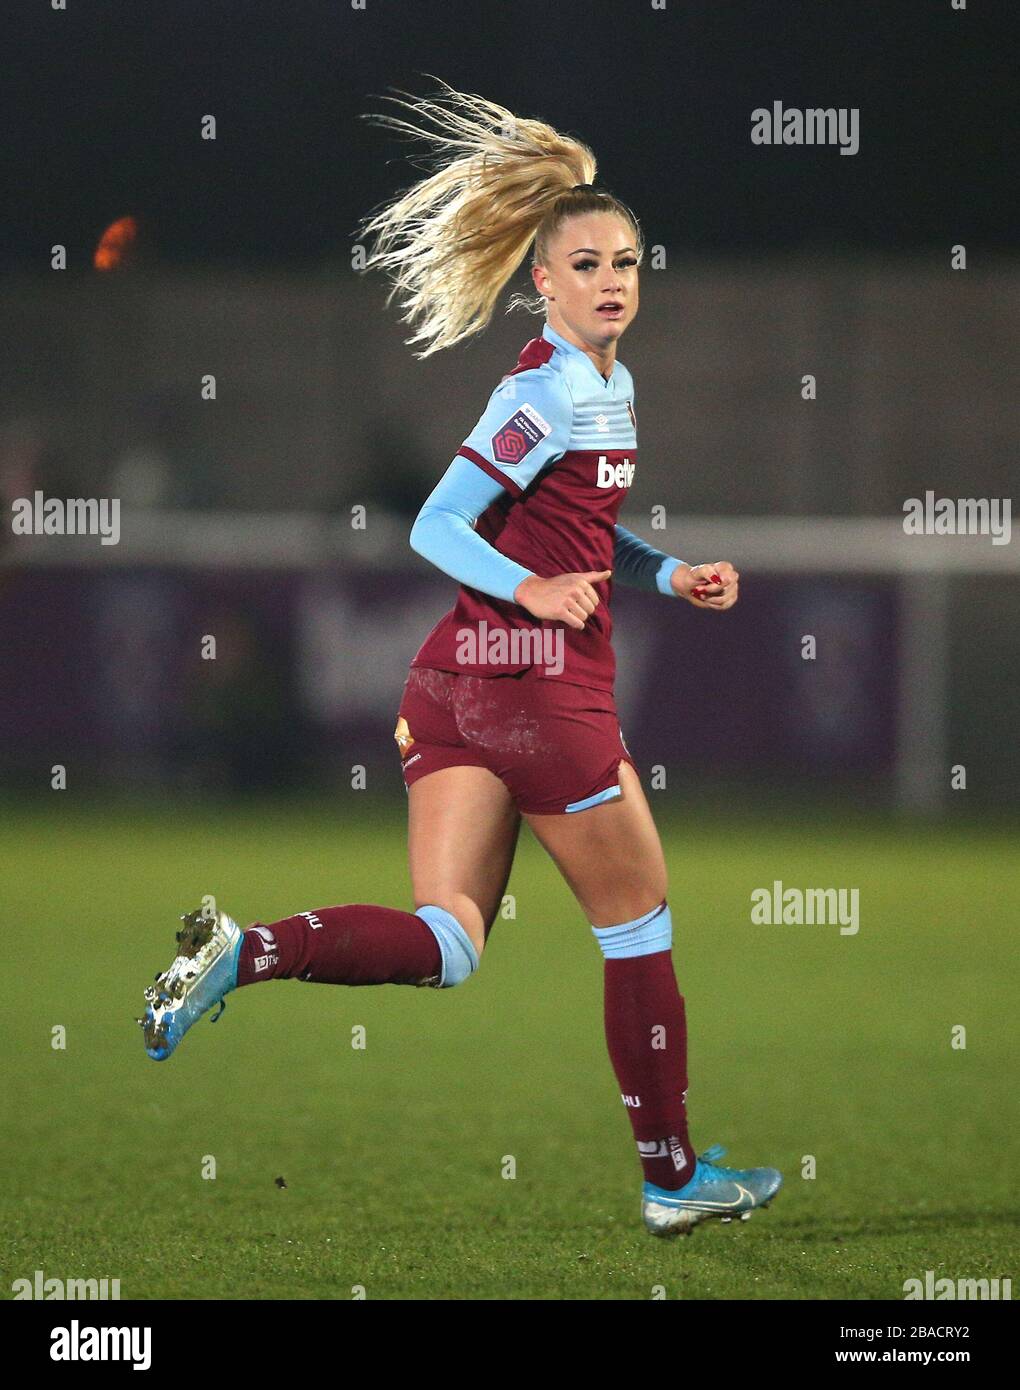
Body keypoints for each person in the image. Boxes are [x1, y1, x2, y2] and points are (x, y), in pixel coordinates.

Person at [138, 79, 781, 1238]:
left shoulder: (601, 382)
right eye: (585, 263)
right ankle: (673, 1176)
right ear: (542, 279)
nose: (613, 278)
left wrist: (663, 573)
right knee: (638, 922)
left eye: (628, 259)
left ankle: (248, 951)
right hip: (542, 688)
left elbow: (576, 529)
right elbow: (439, 521)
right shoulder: (544, 390)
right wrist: (533, 589)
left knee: (450, 942)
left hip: (452, 689)